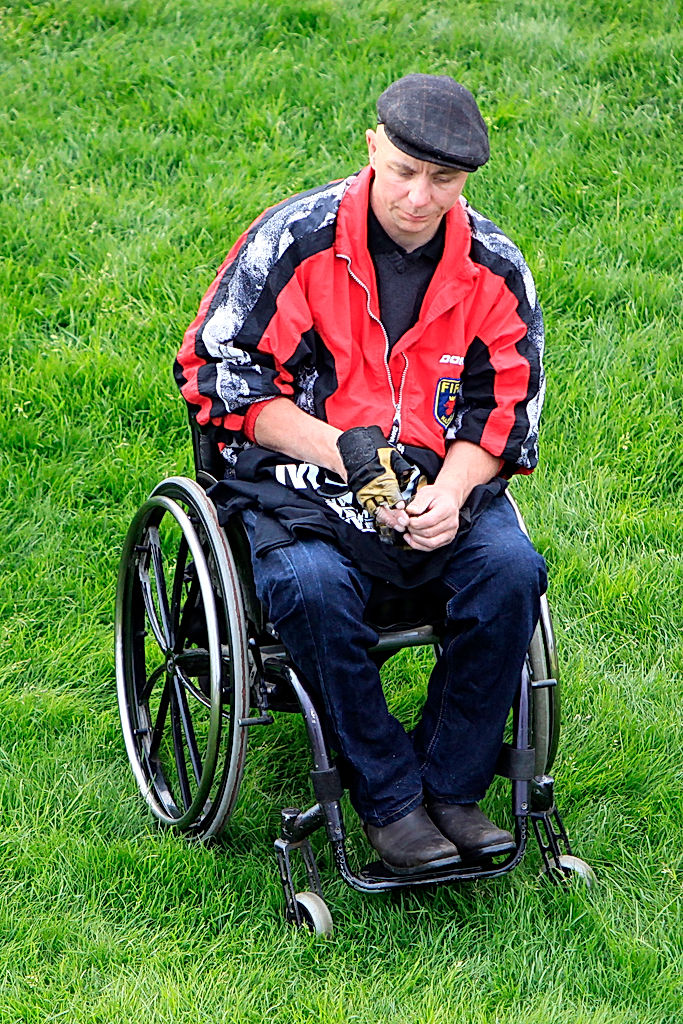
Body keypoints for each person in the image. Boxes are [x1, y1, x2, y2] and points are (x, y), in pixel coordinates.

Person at [175, 73, 548, 875]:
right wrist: (337, 449)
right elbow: (218, 376)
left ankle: (451, 788)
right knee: (310, 587)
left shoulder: (493, 268)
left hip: (429, 484)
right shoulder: (292, 242)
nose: (419, 196)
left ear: (467, 180)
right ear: (372, 145)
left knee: (510, 569)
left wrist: (449, 496)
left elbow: (502, 412)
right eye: (404, 169)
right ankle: (388, 797)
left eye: (442, 180)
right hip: (299, 484)